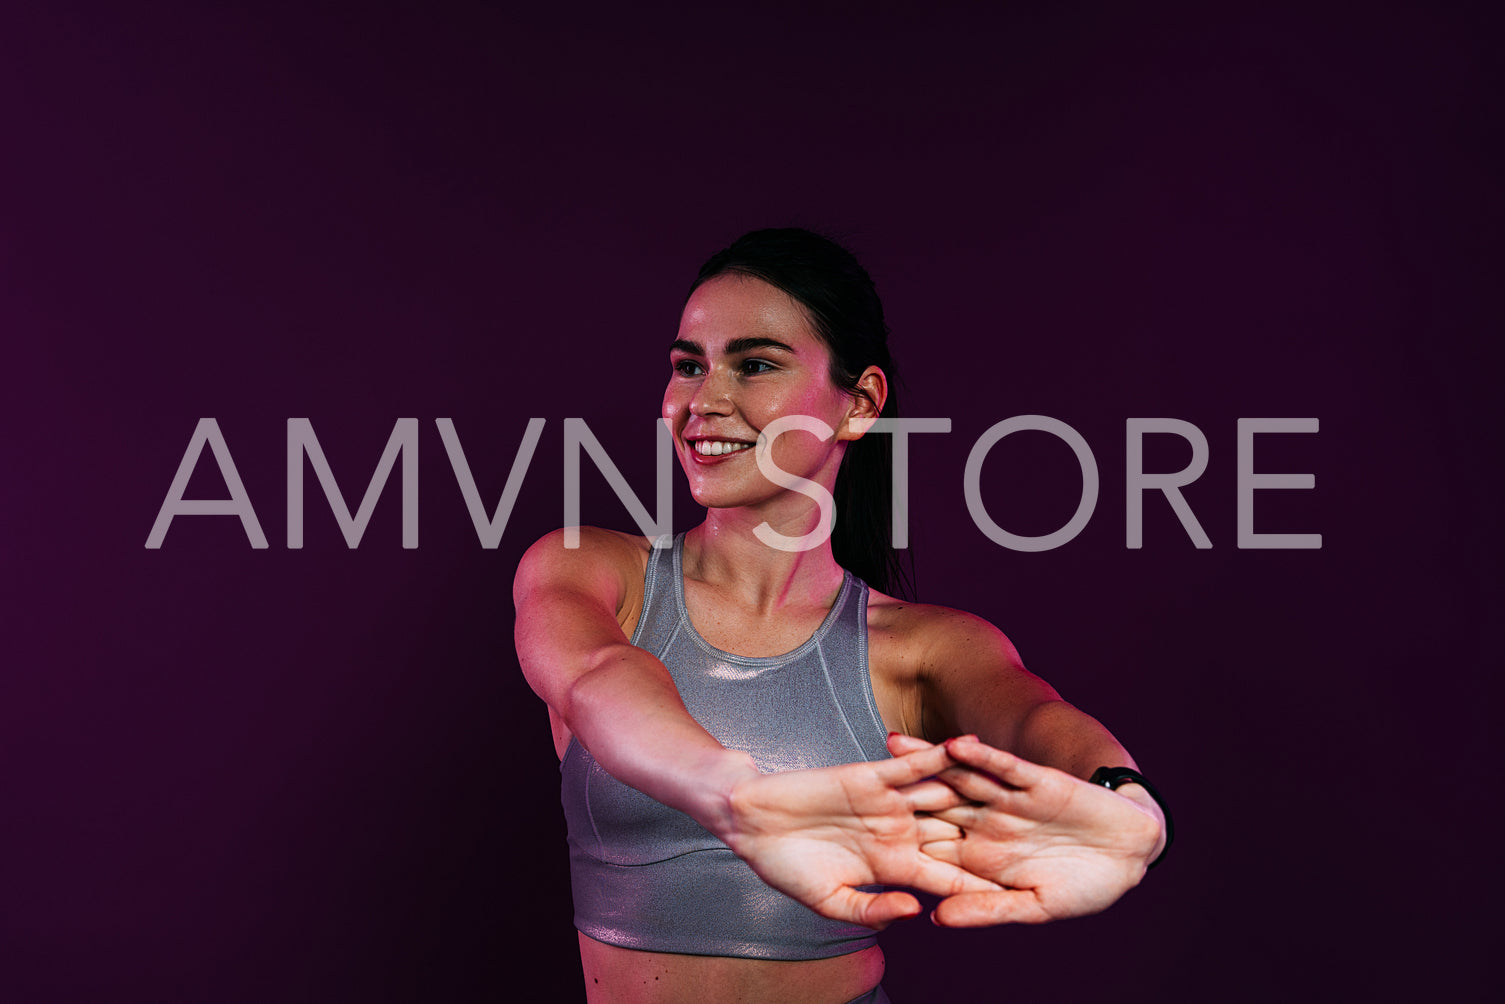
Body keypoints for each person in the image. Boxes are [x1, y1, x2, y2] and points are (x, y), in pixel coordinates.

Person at [513, 228, 1169, 1004]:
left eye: (753, 364)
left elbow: (1036, 720)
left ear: (857, 405)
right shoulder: (589, 572)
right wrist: (735, 797)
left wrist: (1126, 802)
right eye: (689, 365)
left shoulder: (921, 647)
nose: (703, 400)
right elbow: (597, 678)